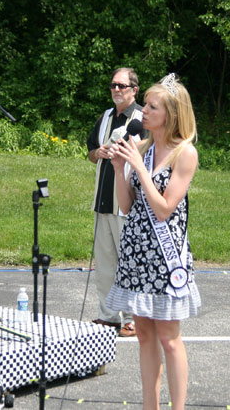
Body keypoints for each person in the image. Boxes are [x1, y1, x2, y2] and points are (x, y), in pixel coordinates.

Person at [106, 73, 201, 410]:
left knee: (169, 338)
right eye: (144, 104)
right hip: (136, 253)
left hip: (164, 257)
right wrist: (120, 170)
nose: (143, 111)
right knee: (144, 334)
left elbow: (163, 209)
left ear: (171, 115)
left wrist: (139, 170)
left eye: (151, 106)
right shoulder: (143, 149)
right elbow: (127, 206)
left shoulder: (184, 154)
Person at [86, 67, 144, 337]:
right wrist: (99, 152)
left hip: (127, 203)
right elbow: (90, 152)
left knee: (129, 262)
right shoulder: (105, 117)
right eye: (113, 85)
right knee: (106, 263)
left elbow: (149, 154)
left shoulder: (143, 118)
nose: (116, 90)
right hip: (102, 201)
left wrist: (123, 151)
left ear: (134, 89)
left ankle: (135, 318)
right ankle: (109, 317)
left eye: (122, 86)